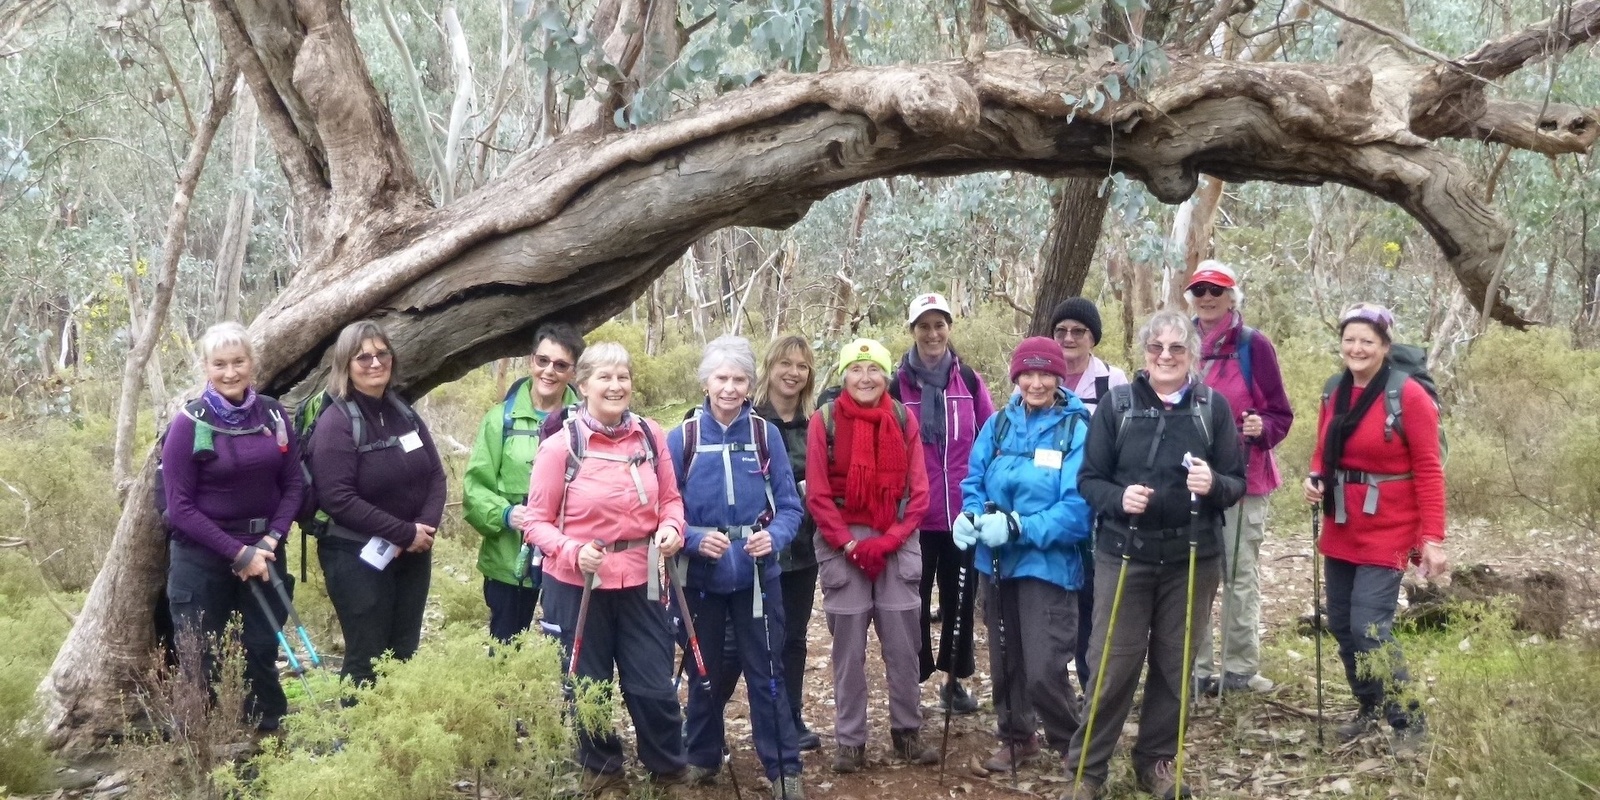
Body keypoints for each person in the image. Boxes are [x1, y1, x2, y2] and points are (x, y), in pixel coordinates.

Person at [1063, 311, 1247, 800]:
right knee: (1111, 664)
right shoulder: (1117, 406)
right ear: (1143, 353)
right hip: (1124, 553)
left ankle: (1157, 762)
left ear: (1192, 355)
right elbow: (1089, 480)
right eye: (1156, 348)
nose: (1165, 356)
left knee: (1174, 662)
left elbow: (1236, 481)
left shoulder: (1213, 408)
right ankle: (1088, 771)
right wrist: (1119, 499)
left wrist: (1214, 486)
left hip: (1192, 556)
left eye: (1177, 348)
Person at [522, 342, 692, 792]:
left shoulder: (652, 436)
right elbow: (534, 522)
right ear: (583, 386)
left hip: (644, 578)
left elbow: (671, 499)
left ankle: (668, 766)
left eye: (623, 377)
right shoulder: (561, 447)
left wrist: (673, 528)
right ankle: (601, 770)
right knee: (587, 687)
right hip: (578, 583)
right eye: (605, 378)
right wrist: (573, 551)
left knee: (653, 684)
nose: (616, 386)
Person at [1303, 303, 1445, 758]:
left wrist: (1433, 537)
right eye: (1350, 339)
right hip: (1342, 522)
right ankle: (1368, 707)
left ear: (1385, 346)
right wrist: (1315, 479)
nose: (1357, 348)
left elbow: (1428, 468)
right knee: (1343, 625)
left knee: (1370, 626)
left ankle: (1409, 719)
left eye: (1367, 340)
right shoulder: (1333, 390)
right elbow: (1323, 449)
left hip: (1390, 525)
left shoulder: (1408, 396)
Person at [669, 335, 807, 799]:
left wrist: (777, 537)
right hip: (701, 580)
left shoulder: (764, 436)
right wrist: (690, 538)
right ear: (706, 381)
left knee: (767, 671)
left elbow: (790, 507)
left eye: (739, 379)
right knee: (703, 672)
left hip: (756, 579)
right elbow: (665, 513)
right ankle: (702, 757)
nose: (729, 388)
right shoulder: (683, 437)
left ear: (751, 383)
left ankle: (784, 769)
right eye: (721, 378)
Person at [955, 337, 1093, 773]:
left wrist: (1018, 526)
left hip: (1047, 564)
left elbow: (1077, 510)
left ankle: (1074, 742)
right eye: (1027, 374)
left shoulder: (1076, 428)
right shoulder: (997, 425)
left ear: (1059, 376)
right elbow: (974, 479)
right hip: (994, 560)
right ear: (1015, 378)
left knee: (1042, 664)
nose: (1036, 383)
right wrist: (971, 515)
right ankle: (1016, 736)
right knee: (1004, 658)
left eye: (1045, 373)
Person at [162, 321, 302, 733]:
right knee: (197, 653)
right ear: (206, 367)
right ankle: (194, 743)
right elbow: (180, 507)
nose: (230, 372)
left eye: (238, 362)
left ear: (252, 363)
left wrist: (270, 539)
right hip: (201, 556)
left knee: (261, 647)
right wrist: (237, 553)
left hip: (266, 546)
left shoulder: (273, 414)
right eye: (219, 364)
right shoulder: (188, 422)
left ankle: (267, 734)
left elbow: (294, 482)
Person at [807, 338, 936, 773]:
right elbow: (819, 495)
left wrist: (892, 538)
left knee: (903, 641)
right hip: (841, 539)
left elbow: (919, 492)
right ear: (843, 375)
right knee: (848, 645)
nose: (865, 378)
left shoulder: (903, 418)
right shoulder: (824, 421)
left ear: (887, 375)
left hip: (896, 535)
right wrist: (848, 544)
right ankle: (850, 740)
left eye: (874, 369)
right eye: (856, 369)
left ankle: (907, 731)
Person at [310, 320, 447, 692]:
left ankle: (397, 742)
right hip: (355, 556)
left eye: (381, 353)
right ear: (346, 365)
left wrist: (423, 530)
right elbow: (338, 499)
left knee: (404, 650)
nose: (375, 363)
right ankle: (360, 738)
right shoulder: (336, 423)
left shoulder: (403, 411)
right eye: (363, 356)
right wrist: (404, 532)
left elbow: (436, 475)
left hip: (414, 552)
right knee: (366, 654)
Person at [1184, 261, 1295, 695]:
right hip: (1189, 481)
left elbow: (1279, 413)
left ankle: (1239, 669)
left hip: (1244, 481)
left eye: (1217, 289)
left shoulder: (1253, 346)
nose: (1208, 297)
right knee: (1192, 574)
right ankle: (1196, 669)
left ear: (1233, 296)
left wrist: (1260, 429)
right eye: (1200, 290)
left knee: (1237, 575)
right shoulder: (1180, 343)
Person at [894, 292, 995, 715]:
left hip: (963, 514)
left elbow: (991, 437)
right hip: (914, 517)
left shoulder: (968, 381)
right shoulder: (894, 385)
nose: (932, 333)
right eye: (924, 325)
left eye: (940, 325)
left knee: (959, 603)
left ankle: (954, 682)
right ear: (913, 330)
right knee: (912, 602)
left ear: (949, 329)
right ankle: (913, 681)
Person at [463, 323, 585, 642]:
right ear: (531, 361)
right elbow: (475, 488)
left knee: (572, 648)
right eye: (542, 361)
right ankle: (505, 695)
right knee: (505, 649)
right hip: (508, 560)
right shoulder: (499, 420)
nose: (549, 371)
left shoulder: (589, 421)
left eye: (561, 365)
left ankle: (575, 694)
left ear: (573, 372)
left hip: (569, 556)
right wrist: (506, 514)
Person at [1045, 296, 1129, 695]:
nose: (1069, 338)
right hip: (1054, 508)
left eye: (1078, 331)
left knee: (1095, 600)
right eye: (1061, 331)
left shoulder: (1114, 382)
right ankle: (1055, 691)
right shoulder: (1042, 380)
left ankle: (1095, 688)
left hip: (1099, 510)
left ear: (1093, 336)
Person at [752, 335, 823, 751]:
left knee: (793, 635)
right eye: (785, 364)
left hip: (804, 546)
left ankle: (791, 714)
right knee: (744, 638)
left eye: (801, 366)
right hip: (758, 547)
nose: (793, 373)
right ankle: (713, 719)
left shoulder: (816, 423)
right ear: (770, 366)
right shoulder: (750, 418)